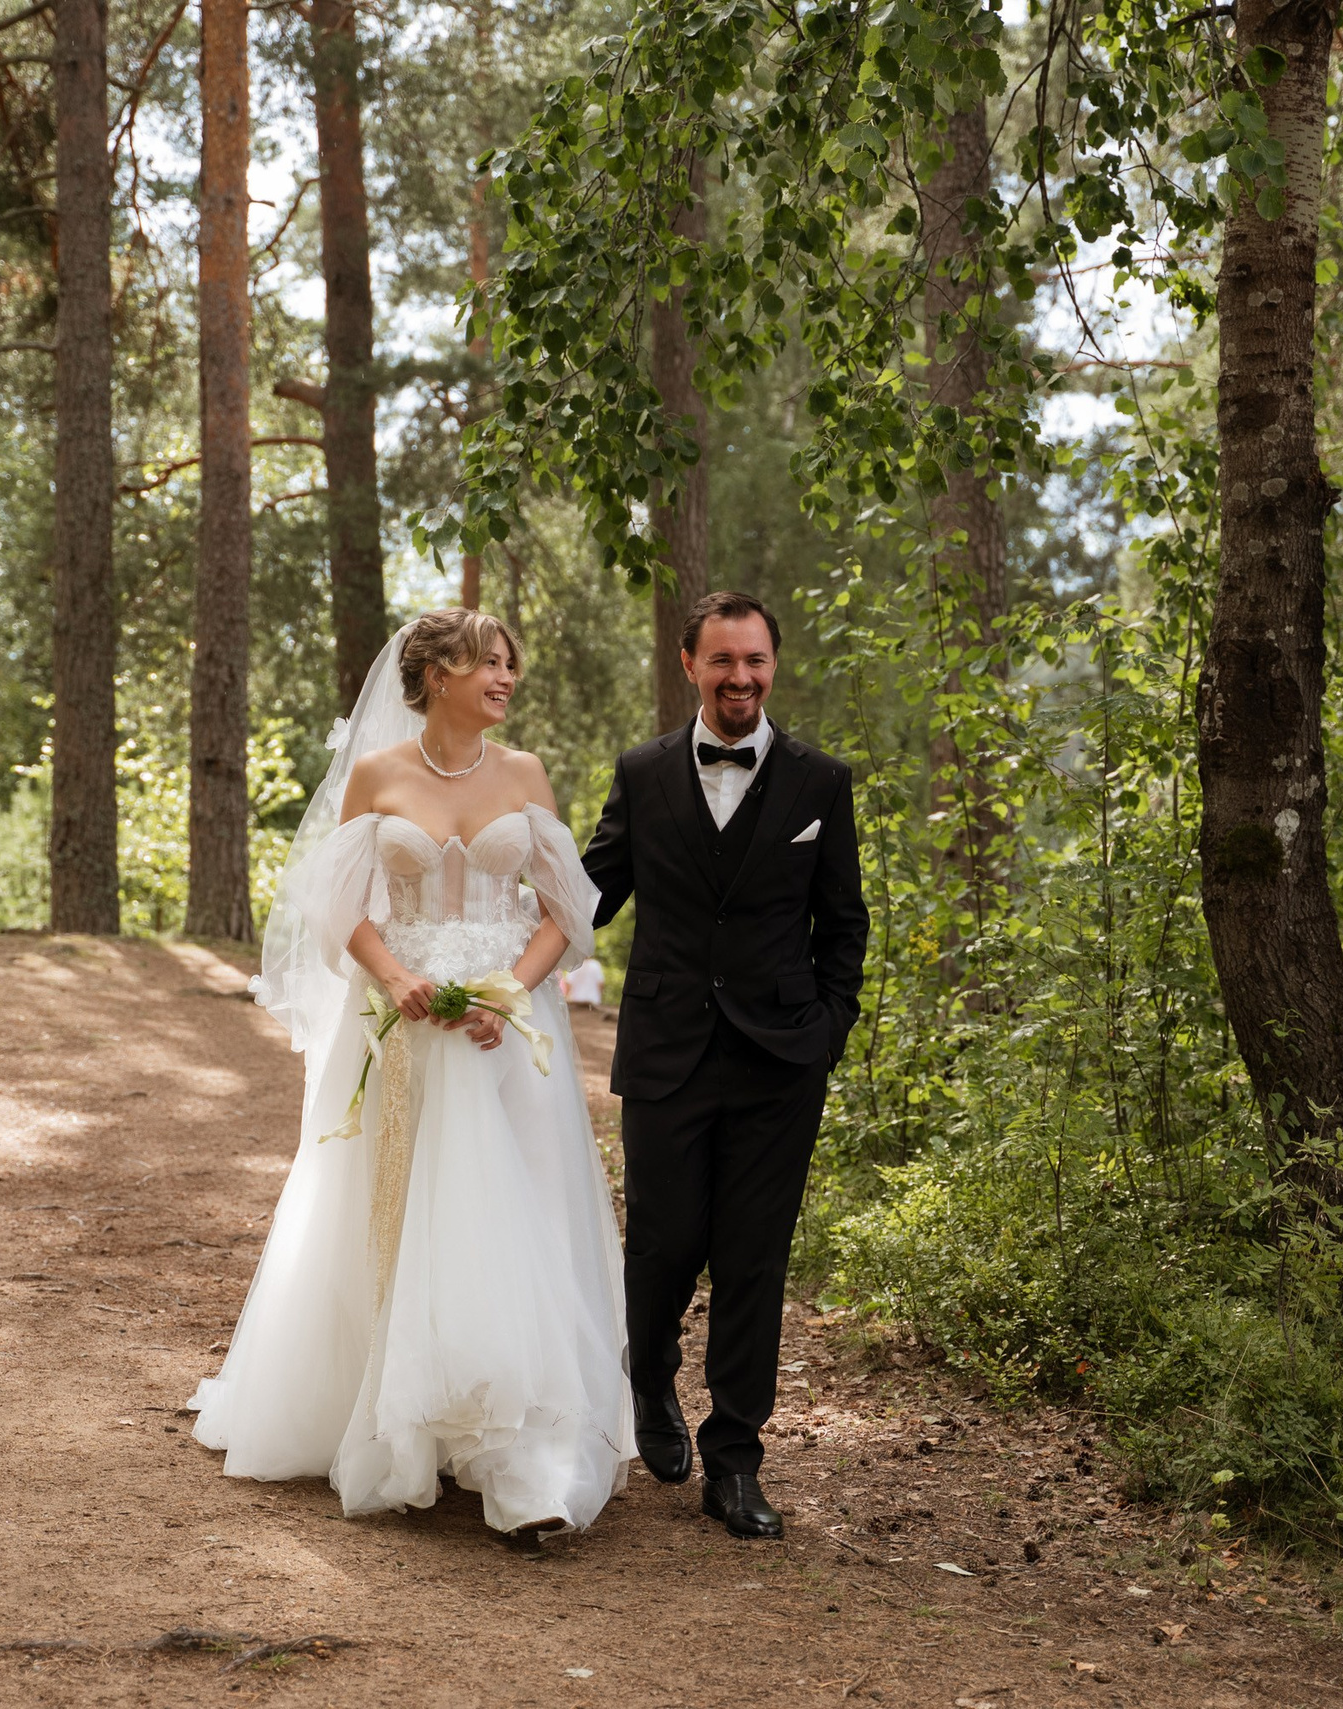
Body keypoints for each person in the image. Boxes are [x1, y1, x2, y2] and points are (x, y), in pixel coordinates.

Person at [190, 611, 632, 1540]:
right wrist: (395, 978)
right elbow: (338, 907)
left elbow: (565, 912)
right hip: (404, 1023)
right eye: (487, 662)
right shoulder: (378, 775)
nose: (505, 677)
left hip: (501, 1032)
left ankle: (520, 1460)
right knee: (392, 1219)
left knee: (513, 1218)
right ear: (435, 673)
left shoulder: (524, 774)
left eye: (511, 662)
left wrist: (509, 994)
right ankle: (402, 1425)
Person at [580, 590, 869, 1539]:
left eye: (756, 662)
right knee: (660, 1245)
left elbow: (845, 923)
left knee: (753, 1259)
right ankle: (653, 1390)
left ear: (773, 667)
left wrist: (828, 1029)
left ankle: (735, 1458)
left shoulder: (821, 782)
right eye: (723, 661)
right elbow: (588, 894)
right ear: (689, 663)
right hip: (665, 1051)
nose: (741, 677)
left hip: (780, 1060)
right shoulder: (643, 770)